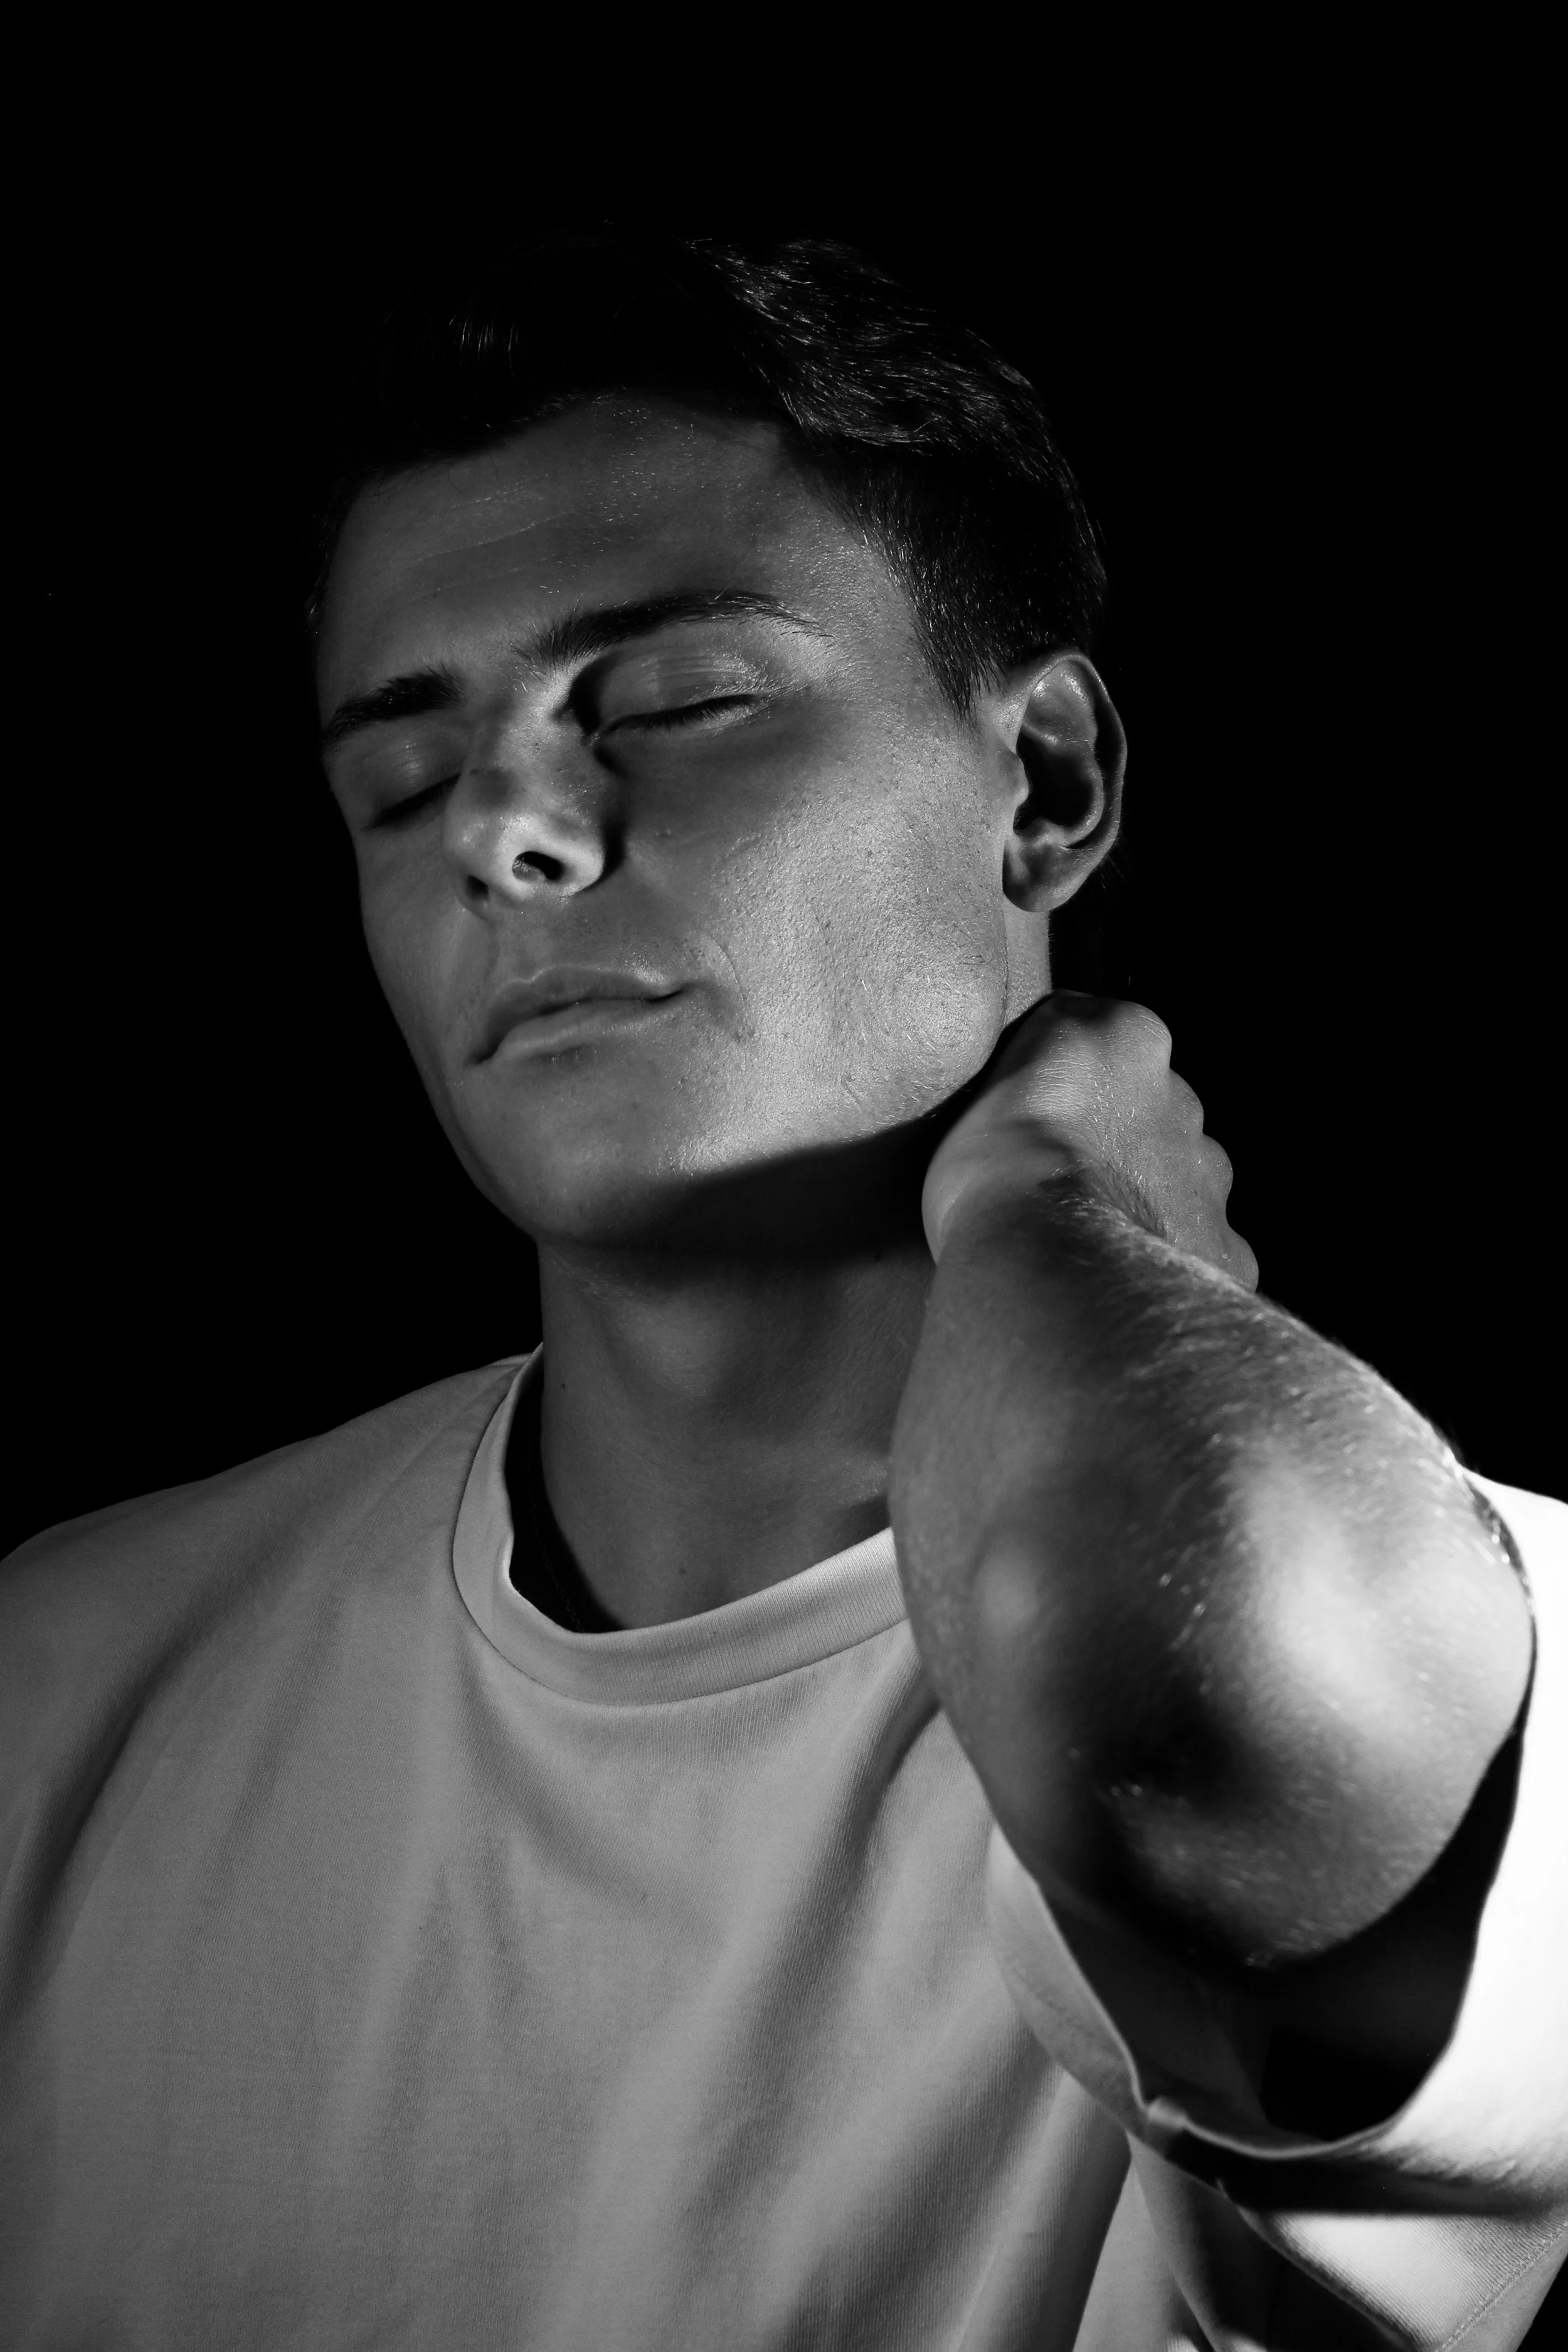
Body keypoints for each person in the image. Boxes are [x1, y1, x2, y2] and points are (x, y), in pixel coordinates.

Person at [2, 232, 1563, 2351]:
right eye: (401, 773)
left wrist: (1051, 1215)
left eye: (671, 699)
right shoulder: (59, 1678)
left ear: (1045, 786)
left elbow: (1201, 1701)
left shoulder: (1479, 1665)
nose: (510, 832)